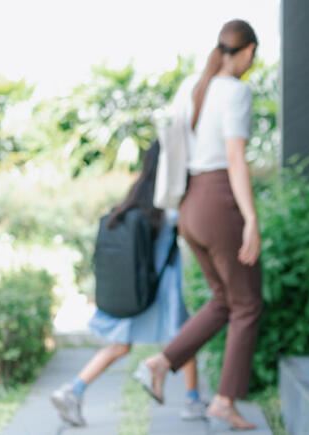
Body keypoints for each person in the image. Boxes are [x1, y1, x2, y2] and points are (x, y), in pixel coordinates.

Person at [132, 19, 263, 431]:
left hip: (190, 206)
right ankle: (223, 400)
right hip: (220, 201)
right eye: (252, 57)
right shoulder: (237, 91)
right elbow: (235, 159)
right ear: (248, 53)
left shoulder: (192, 85)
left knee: (225, 299)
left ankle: (161, 361)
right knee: (248, 304)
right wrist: (251, 220)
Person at [50, 143, 204, 427]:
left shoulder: (137, 196)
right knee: (186, 339)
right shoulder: (170, 201)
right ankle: (193, 401)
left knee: (120, 346)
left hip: (137, 287)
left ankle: (73, 390)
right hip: (161, 287)